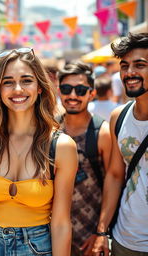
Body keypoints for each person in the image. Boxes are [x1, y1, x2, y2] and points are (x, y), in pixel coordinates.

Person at [0, 48, 78, 255]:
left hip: (37, 247)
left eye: (26, 80)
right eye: (8, 82)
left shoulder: (61, 147)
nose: (18, 89)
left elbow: (61, 224)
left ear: (40, 86)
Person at [92, 33, 148, 256]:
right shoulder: (119, 116)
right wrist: (102, 230)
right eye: (124, 66)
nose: (129, 72)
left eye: (140, 65)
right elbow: (115, 175)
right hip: (125, 240)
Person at [57, 62, 111, 256]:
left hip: (90, 238)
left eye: (80, 90)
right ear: (59, 92)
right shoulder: (50, 129)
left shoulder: (101, 132)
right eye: (66, 89)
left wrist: (101, 231)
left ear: (92, 94)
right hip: (52, 234)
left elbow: (113, 183)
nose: (72, 95)